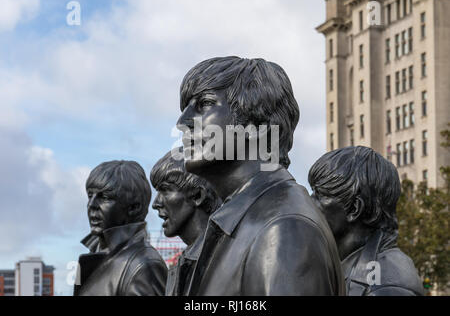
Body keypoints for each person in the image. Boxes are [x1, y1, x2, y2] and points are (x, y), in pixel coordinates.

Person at [176, 56, 345, 295]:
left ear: (256, 125)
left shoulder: (284, 228)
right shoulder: (247, 219)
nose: (182, 122)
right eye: (186, 108)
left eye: (204, 104)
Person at [308, 146, 424, 296]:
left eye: (319, 195)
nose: (309, 202)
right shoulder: (342, 268)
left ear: (355, 208)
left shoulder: (387, 286)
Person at [74, 160, 167, 296]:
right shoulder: (97, 256)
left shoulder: (144, 265)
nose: (92, 205)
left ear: (134, 207)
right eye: (90, 195)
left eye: (104, 197)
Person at [150, 148, 221, 295]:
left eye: (165, 190)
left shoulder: (223, 257)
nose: (155, 203)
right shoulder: (181, 263)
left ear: (197, 196)